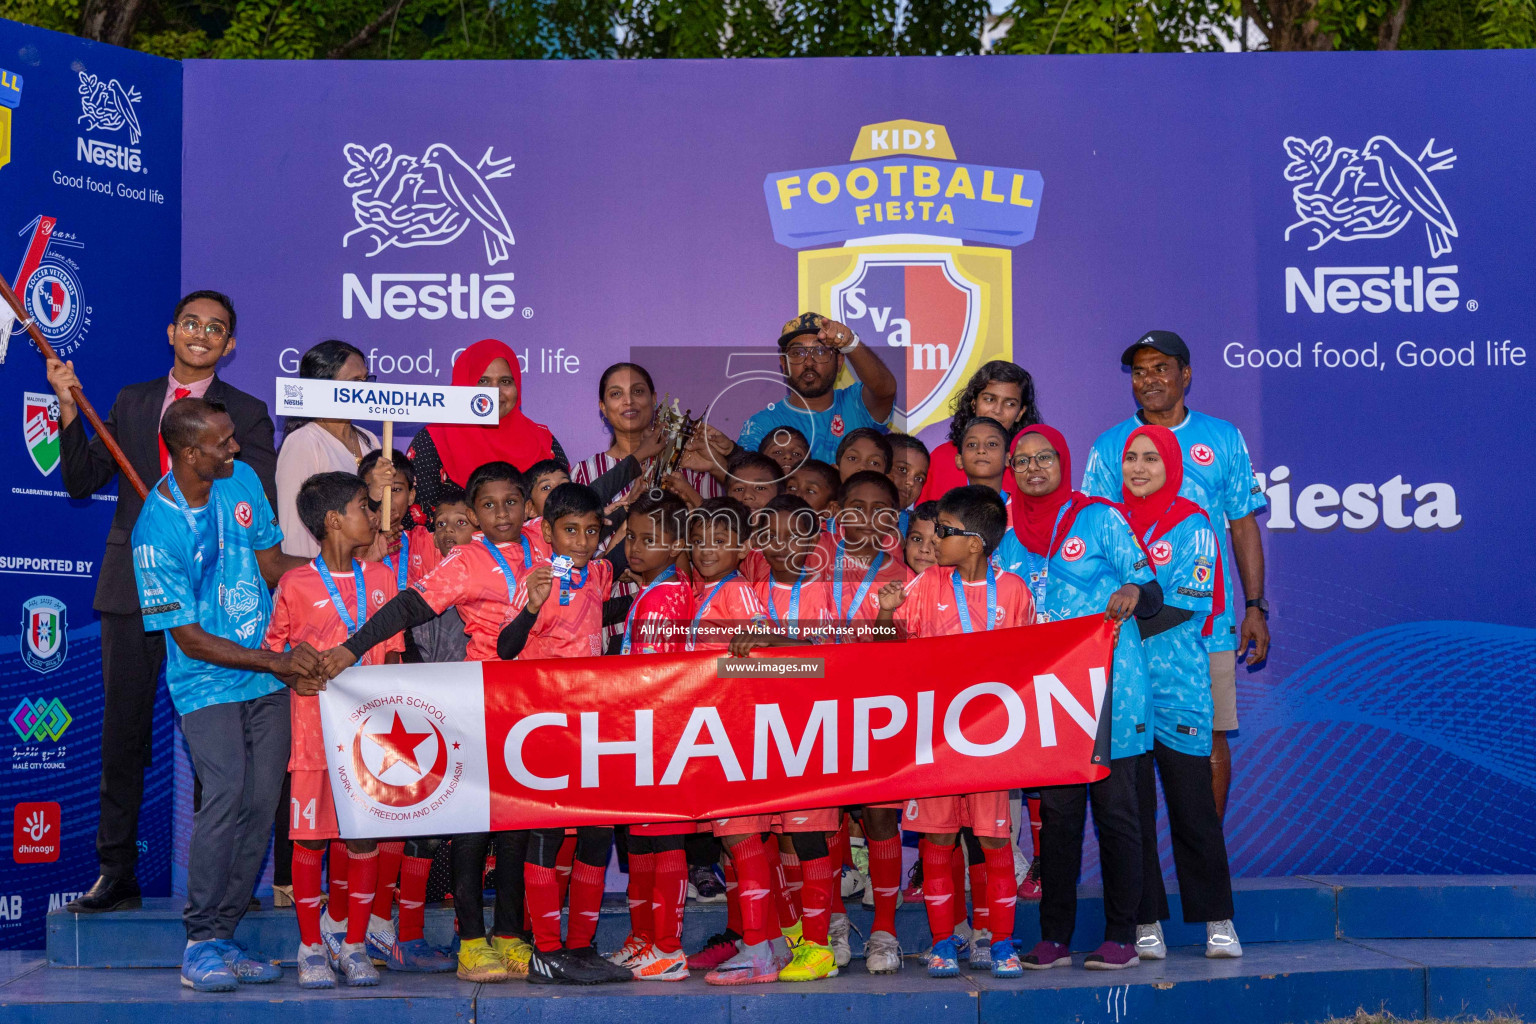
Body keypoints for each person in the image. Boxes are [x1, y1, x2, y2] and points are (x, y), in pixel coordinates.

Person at [50, 289, 278, 915]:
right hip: (132, 585)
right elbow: (80, 479)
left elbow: (248, 497)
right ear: (171, 331)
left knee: (221, 734)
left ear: (229, 345)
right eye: (192, 323)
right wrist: (69, 406)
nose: (202, 333)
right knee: (123, 731)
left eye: (217, 328)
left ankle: (227, 881)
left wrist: (183, 502)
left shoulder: (248, 413)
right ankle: (115, 872)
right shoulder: (132, 401)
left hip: (213, 595)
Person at [319, 462, 541, 983]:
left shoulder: (544, 544)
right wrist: (353, 648)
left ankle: (509, 935)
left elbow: (591, 511)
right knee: (472, 825)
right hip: (479, 699)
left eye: (512, 502)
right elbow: (407, 608)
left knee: (518, 827)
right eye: (488, 506)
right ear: (474, 513)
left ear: (528, 506)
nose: (502, 514)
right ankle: (470, 943)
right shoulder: (465, 560)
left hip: (535, 704)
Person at [128, 397, 314, 991]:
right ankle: (199, 940)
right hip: (207, 681)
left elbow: (269, 563)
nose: (235, 448)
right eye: (223, 441)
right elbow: (189, 638)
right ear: (189, 453)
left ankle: (225, 935)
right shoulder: (155, 529)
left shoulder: (244, 481)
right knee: (227, 792)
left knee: (261, 804)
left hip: (265, 674)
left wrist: (343, 567)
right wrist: (278, 660)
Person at [1080, 331, 1270, 819]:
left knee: (1209, 739)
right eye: (1140, 371)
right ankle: (1141, 873)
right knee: (1130, 743)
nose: (1149, 380)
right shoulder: (1110, 445)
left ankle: (1206, 858)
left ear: (1185, 374)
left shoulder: (1223, 437)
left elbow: (1243, 523)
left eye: (1160, 368)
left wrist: (1255, 606)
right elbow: (1095, 534)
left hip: (1209, 622)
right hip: (1134, 629)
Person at [266, 473, 445, 987]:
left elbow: (391, 658)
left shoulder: (385, 579)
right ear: (333, 521)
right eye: (363, 507)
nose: (374, 516)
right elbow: (276, 652)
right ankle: (308, 949)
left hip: (371, 742)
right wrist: (295, 670)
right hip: (313, 739)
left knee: (363, 841)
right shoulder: (296, 583)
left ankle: (353, 945)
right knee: (311, 843)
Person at [993, 426, 1159, 973]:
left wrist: (1133, 593)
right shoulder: (1005, 531)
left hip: (1108, 688)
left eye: (1046, 458)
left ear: (1064, 463)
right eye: (1023, 461)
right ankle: (1055, 938)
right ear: (1010, 471)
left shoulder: (1100, 518)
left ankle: (1121, 937)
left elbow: (1148, 585)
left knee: (1117, 816)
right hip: (1045, 697)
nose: (1034, 468)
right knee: (1059, 821)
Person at [875, 486, 1035, 979]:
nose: (932, 541)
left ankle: (1002, 942)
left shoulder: (1014, 593)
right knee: (938, 841)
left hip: (991, 745)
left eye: (943, 531)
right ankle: (944, 941)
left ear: (975, 544)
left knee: (993, 843)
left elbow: (1032, 664)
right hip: (935, 744)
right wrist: (885, 613)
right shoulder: (925, 586)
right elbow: (888, 650)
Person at [496, 484, 631, 985]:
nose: (580, 540)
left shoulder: (596, 570)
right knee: (546, 833)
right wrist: (531, 607)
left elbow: (618, 553)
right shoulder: (536, 580)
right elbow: (506, 649)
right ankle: (546, 951)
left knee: (597, 833)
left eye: (590, 531)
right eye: (569, 531)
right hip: (543, 726)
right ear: (547, 532)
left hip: (591, 724)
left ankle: (581, 946)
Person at [1118, 426, 1241, 961]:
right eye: (1130, 458)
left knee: (1193, 808)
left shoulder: (1194, 525)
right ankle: (1146, 921)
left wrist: (1101, 628)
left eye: (1151, 457)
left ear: (1172, 464)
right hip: (1121, 690)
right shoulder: (1105, 522)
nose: (1139, 467)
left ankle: (1219, 920)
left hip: (1180, 689)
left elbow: (1183, 604)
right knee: (1134, 811)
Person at [607, 493, 697, 982]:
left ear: (677, 544)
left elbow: (652, 677)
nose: (636, 548)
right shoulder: (657, 588)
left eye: (650, 540)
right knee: (642, 841)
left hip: (660, 734)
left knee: (664, 842)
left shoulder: (664, 597)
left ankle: (669, 947)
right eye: (632, 538)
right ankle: (644, 939)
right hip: (648, 733)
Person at [737, 313, 897, 463]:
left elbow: (885, 390)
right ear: (784, 364)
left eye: (820, 351)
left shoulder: (855, 404)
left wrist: (850, 343)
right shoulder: (762, 424)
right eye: (798, 352)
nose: (808, 362)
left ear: (840, 361)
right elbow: (746, 477)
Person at [273, 340, 381, 559]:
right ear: (323, 386)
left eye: (366, 380)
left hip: (366, 574)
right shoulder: (303, 442)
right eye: (354, 382)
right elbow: (295, 532)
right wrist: (310, 582)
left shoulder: (369, 439)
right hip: (321, 581)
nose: (364, 390)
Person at [917, 361, 1041, 504]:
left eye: (1009, 404)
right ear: (974, 403)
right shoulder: (941, 458)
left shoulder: (1030, 465)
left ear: (1020, 412)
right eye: (989, 399)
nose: (997, 410)